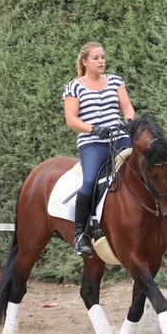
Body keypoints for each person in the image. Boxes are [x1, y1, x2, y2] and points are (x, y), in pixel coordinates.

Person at [63, 41, 136, 257]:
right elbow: (71, 120)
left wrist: (129, 121)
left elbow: (127, 107)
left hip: (119, 137)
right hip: (92, 142)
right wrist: (93, 129)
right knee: (90, 180)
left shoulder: (115, 81)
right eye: (96, 58)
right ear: (85, 62)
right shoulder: (74, 87)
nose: (101, 61)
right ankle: (80, 235)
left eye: (103, 57)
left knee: (138, 170)